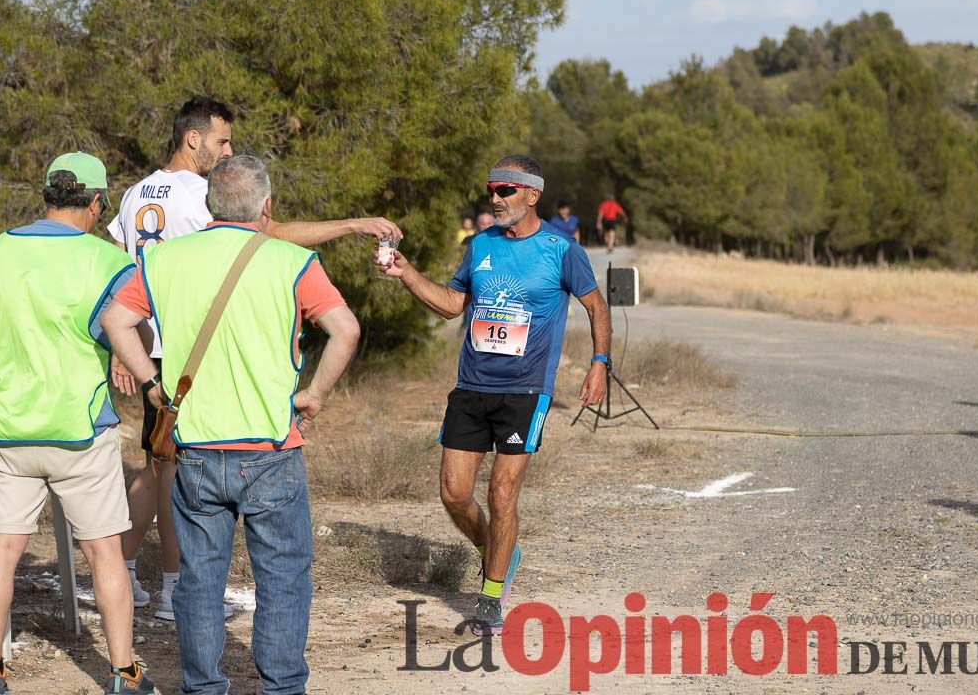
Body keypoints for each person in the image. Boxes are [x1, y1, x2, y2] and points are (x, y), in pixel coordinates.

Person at [108, 96, 400, 621]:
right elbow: (266, 236)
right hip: (194, 366)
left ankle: (126, 573)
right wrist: (354, 225)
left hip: (154, 349)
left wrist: (124, 354)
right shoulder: (202, 192)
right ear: (192, 139)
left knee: (155, 468)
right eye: (222, 141)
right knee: (179, 475)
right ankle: (176, 587)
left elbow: (119, 262)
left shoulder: (135, 193)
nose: (228, 153)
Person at [103, 154, 360, 695]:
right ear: (266, 207)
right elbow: (346, 331)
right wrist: (313, 395)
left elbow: (115, 321)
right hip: (271, 447)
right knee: (284, 580)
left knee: (198, 582)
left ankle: (202, 687)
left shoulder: (166, 260)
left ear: (208, 205)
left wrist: (152, 384)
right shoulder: (293, 262)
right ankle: (283, 687)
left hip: (195, 448)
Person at [377, 154, 610, 634]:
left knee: (502, 492)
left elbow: (596, 307)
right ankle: (499, 550)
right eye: (492, 189)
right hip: (471, 387)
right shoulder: (480, 244)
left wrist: (599, 364)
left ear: (532, 195)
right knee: (454, 494)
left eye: (506, 190)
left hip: (526, 391)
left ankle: (490, 596)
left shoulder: (561, 249)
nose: (495, 198)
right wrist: (407, 274)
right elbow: (450, 304)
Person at [0, 153, 155, 694]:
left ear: (48, 194)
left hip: (7, 425)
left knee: (1, 549)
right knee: (105, 552)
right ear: (96, 202)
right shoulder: (104, 261)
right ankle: (121, 672)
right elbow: (130, 332)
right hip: (78, 427)